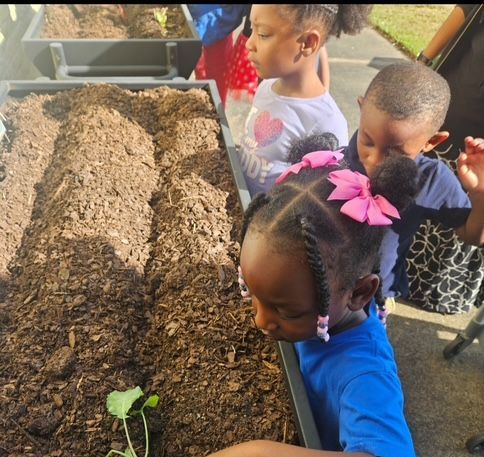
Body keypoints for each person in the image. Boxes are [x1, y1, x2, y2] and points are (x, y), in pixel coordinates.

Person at [184, 137, 420, 457]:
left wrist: (255, 455)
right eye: (252, 294)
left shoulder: (364, 374)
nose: (260, 320)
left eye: (284, 310)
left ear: (360, 293)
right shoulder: (310, 301)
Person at [341, 61, 484, 306]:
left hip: (374, 297)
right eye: (367, 141)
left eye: (395, 153)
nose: (374, 162)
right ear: (361, 108)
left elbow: (473, 235)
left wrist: (481, 193)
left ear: (432, 142)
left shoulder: (431, 179)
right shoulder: (337, 159)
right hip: (320, 281)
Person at [238, 4, 372, 196]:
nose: (249, 44)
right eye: (252, 30)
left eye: (264, 34)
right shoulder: (265, 88)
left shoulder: (327, 123)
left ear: (308, 42)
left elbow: (319, 199)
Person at [406, 4, 484, 314]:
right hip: (459, 105)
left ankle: (441, 291)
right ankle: (400, 272)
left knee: (475, 198)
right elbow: (465, 10)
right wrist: (424, 61)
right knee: (430, 184)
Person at [188, 4, 249, 107]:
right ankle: (206, 96)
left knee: (217, 68)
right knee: (201, 60)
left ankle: (216, 106)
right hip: (209, 14)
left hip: (218, 16)